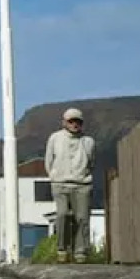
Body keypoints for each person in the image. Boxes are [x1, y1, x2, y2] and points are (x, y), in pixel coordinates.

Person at [45, 107, 96, 262]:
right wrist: (54, 175)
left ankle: (80, 251)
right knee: (61, 215)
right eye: (71, 121)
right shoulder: (55, 138)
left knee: (82, 218)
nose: (74, 124)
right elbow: (48, 160)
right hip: (60, 184)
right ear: (64, 122)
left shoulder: (88, 141)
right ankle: (62, 249)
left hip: (82, 184)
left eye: (77, 121)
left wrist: (83, 175)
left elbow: (91, 162)